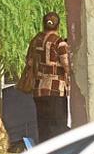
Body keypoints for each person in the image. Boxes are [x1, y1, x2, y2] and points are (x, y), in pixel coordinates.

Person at [28, 11, 71, 142]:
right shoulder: (59, 43)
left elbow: (29, 61)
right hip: (56, 91)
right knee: (57, 127)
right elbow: (66, 65)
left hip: (38, 90)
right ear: (58, 26)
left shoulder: (35, 41)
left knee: (43, 126)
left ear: (43, 24)